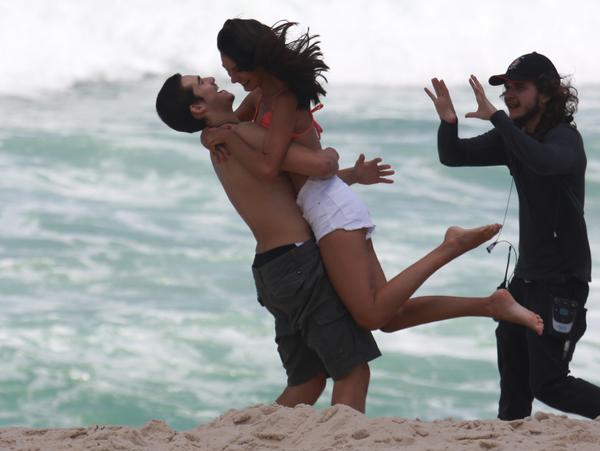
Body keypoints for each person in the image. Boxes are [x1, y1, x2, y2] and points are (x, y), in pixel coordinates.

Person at [155, 73, 542, 413]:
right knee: (354, 368)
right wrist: (328, 156)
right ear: (198, 107)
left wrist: (350, 175)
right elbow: (314, 166)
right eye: (201, 82)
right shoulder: (233, 135)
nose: (213, 76)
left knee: (307, 380)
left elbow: (283, 187)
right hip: (296, 262)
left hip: (271, 270)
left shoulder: (220, 137)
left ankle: (242, 450)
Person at [204, 18, 544, 335]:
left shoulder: (282, 99)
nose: (231, 78)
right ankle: (491, 305)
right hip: (329, 201)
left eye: (232, 69)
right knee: (390, 317)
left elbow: (267, 164)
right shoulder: (259, 97)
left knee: (371, 315)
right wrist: (209, 135)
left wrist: (228, 136)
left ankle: (450, 246)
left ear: (253, 60)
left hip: (328, 210)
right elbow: (228, 124)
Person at [426, 52, 600, 420]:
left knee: (549, 383)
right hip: (526, 278)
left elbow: (544, 162)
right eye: (507, 89)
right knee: (514, 382)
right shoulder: (514, 136)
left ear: (546, 94)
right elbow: (454, 156)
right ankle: (508, 448)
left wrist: (500, 120)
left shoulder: (565, 139)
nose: (510, 95)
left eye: (520, 88)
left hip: (562, 280)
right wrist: (448, 122)